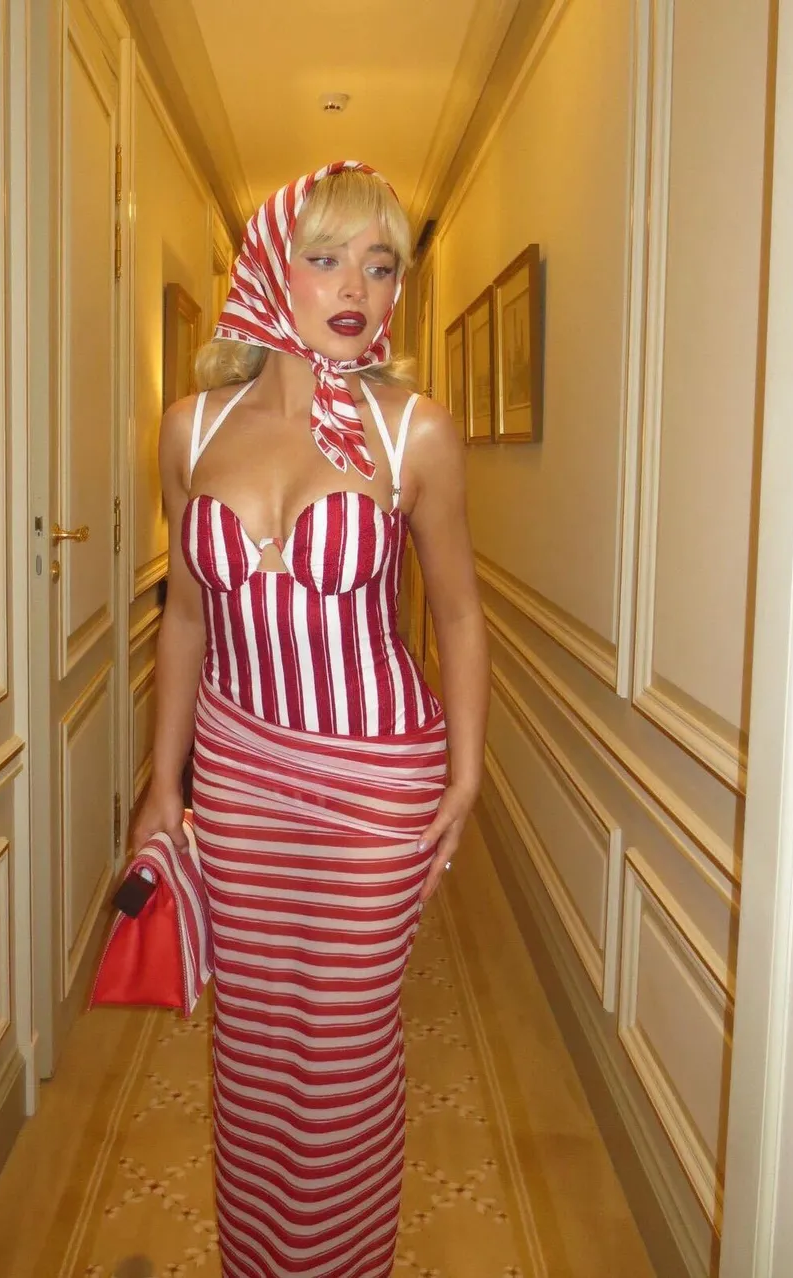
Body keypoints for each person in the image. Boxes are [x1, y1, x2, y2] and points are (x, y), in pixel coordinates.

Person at [133, 160, 489, 1278]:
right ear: (266, 270)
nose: (356, 288)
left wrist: (464, 777)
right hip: (237, 777)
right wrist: (162, 784)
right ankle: (259, 1261)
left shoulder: (413, 433)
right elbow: (184, 618)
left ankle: (342, 1261)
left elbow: (459, 614)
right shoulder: (189, 431)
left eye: (381, 266)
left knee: (342, 1048)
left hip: (377, 786)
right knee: (252, 1042)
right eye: (325, 257)